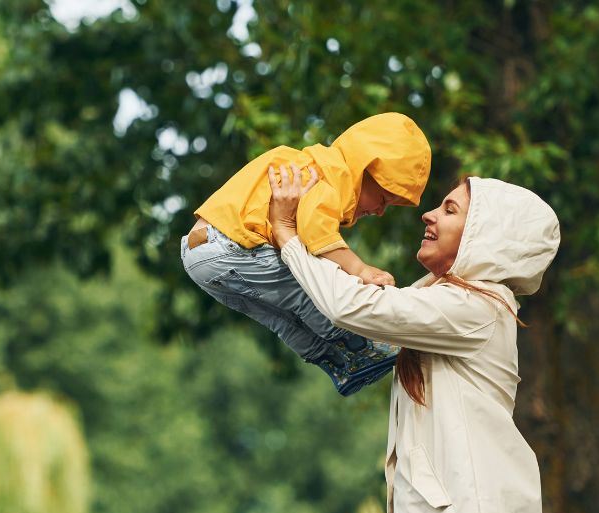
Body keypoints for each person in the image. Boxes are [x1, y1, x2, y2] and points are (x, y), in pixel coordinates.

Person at [268, 165, 560, 513]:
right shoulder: (445, 303)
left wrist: (288, 233)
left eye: (450, 209)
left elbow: (353, 308)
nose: (428, 215)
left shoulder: (477, 308)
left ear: (485, 235)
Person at [181, 113, 431, 396]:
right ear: (364, 168)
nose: (381, 211)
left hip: (198, 254)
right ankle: (363, 343)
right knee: (308, 289)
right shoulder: (326, 177)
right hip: (230, 247)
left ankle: (339, 363)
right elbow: (317, 235)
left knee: (282, 317)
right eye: (385, 198)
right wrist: (360, 271)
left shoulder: (313, 166)